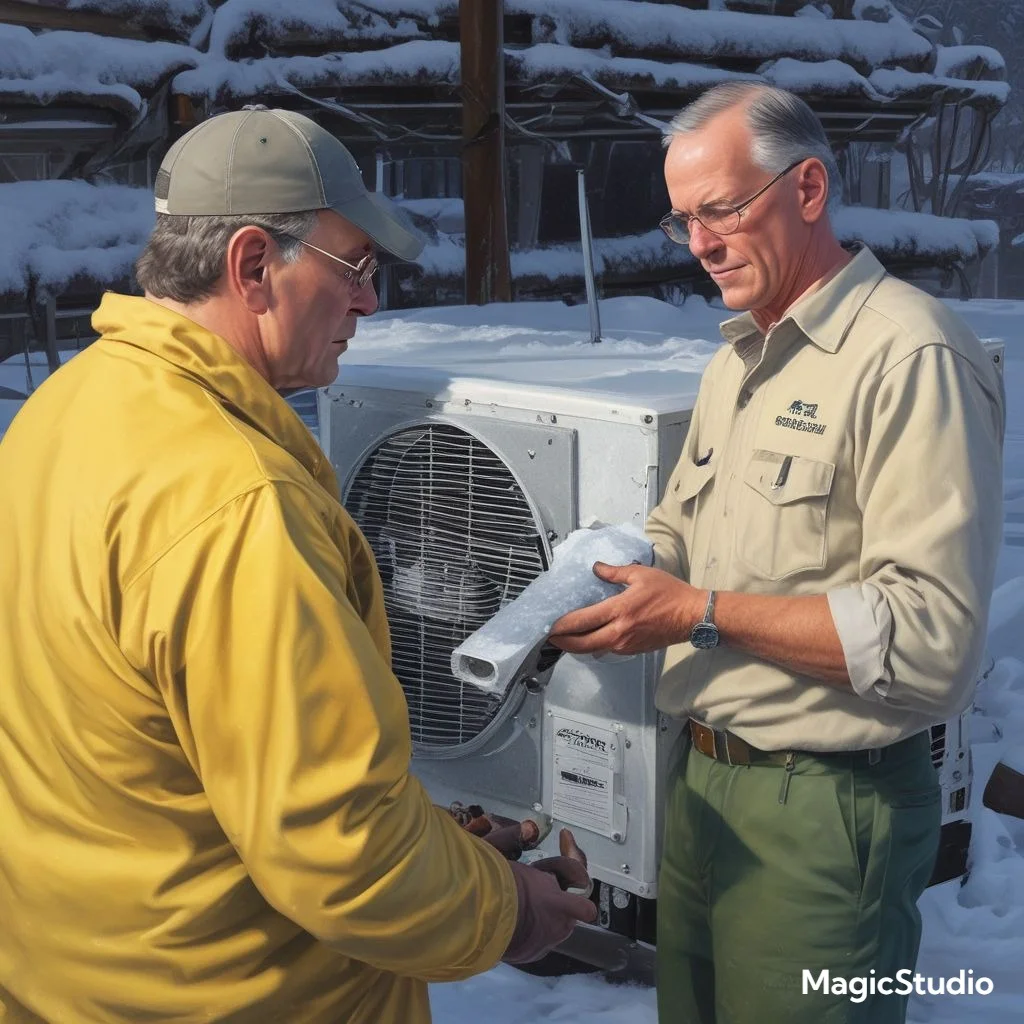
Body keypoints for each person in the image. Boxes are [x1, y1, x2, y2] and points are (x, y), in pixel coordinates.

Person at [0, 106, 595, 1024]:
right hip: (246, 995)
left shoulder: (65, 407)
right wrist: (510, 910)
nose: (370, 302)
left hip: (79, 972)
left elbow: (158, 750)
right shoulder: (238, 505)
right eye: (356, 268)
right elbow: (342, 853)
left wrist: (438, 843)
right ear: (250, 266)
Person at [549, 83, 1004, 1024]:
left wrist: (698, 614)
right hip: (708, 785)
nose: (702, 243)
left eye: (720, 209)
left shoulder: (911, 357)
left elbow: (931, 643)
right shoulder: (741, 358)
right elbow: (684, 528)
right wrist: (604, 569)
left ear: (807, 189)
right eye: (683, 222)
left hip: (829, 813)